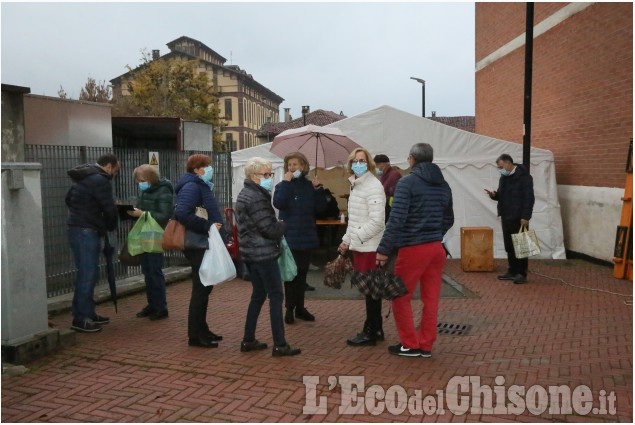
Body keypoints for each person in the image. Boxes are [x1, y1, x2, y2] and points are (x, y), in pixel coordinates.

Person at [376, 143, 454, 358]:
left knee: (400, 296)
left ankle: (410, 344)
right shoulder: (443, 185)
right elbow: (449, 218)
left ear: (411, 158)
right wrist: (435, 233)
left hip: (413, 248)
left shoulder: (407, 183)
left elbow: (397, 219)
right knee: (431, 298)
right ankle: (426, 344)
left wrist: (384, 249)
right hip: (436, 248)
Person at [236, 157, 301, 356]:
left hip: (250, 253)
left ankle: (248, 339)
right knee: (275, 296)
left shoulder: (245, 194)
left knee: (258, 295)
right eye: (266, 175)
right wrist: (283, 224)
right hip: (263, 254)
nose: (269, 178)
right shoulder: (256, 197)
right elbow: (269, 228)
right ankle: (280, 344)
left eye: (270, 174)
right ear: (254, 176)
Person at [174, 154, 225, 348]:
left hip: (202, 242)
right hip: (197, 243)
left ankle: (202, 329)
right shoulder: (192, 186)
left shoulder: (198, 185)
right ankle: (195, 335)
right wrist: (208, 225)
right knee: (201, 289)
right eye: (207, 166)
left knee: (205, 287)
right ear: (196, 169)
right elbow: (181, 212)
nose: (210, 169)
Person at [65, 153, 120, 333]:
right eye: (116, 171)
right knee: (88, 274)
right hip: (87, 231)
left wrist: (82, 212)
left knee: (88, 272)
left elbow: (69, 199)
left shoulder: (83, 178)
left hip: (78, 228)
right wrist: (110, 225)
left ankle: (87, 312)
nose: (114, 175)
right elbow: (109, 208)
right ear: (110, 166)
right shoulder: (100, 180)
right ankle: (81, 318)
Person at [338, 148, 386, 346]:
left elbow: (377, 222)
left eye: (362, 160)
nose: (359, 163)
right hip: (360, 245)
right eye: (355, 160)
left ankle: (370, 332)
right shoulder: (356, 185)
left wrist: (355, 238)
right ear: (350, 164)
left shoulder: (373, 186)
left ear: (369, 163)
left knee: (370, 291)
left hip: (369, 247)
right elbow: (355, 220)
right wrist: (346, 240)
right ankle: (377, 328)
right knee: (370, 290)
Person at [273, 152, 326, 324]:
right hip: (290, 236)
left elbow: (321, 209)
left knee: (302, 273)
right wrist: (287, 183)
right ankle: (289, 308)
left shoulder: (309, 186)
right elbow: (279, 203)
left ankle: (300, 308)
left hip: (307, 235)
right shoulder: (283, 185)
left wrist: (318, 190)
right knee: (291, 274)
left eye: (295, 164)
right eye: (289, 164)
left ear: (303, 166)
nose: (292, 167)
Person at [127, 164, 174, 321]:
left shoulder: (164, 190)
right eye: (138, 181)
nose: (140, 183)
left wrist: (143, 213)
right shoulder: (145, 191)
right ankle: (152, 304)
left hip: (156, 234)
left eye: (142, 180)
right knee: (147, 271)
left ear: (150, 178)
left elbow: (164, 215)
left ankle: (160, 307)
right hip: (145, 233)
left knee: (155, 271)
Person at [485, 153, 535, 284]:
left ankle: (521, 273)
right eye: (498, 167)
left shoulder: (524, 177)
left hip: (519, 217)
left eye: (501, 166)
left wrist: (526, 216)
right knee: (509, 245)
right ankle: (512, 270)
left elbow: (529, 198)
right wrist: (494, 195)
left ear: (508, 163)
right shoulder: (504, 178)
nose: (500, 169)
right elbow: (501, 195)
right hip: (506, 215)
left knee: (521, 245)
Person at [373, 154, 402, 222]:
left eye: (377, 165)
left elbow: (394, 195)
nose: (376, 168)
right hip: (383, 211)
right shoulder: (383, 176)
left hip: (391, 212)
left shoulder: (394, 175)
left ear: (386, 164)